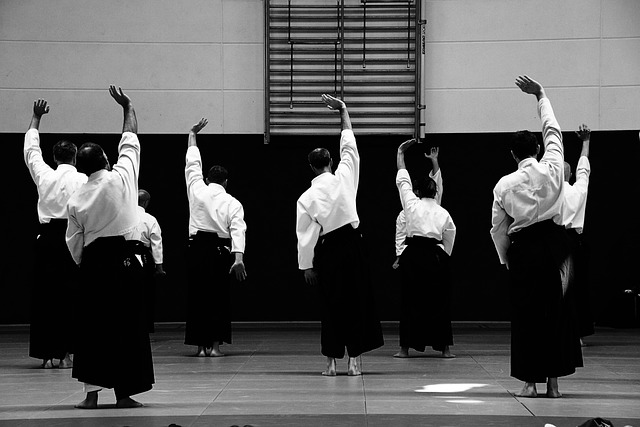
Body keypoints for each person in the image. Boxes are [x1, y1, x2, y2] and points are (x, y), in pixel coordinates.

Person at [490, 76, 583, 398]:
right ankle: (554, 385)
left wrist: (506, 259)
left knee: (528, 315)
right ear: (539, 149)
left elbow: (497, 228)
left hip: (525, 249)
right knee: (558, 312)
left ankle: (530, 383)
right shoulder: (555, 166)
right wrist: (540, 95)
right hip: (557, 247)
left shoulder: (503, 184)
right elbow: (553, 131)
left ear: (513, 155)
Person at [66, 86, 154, 409]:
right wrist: (127, 106)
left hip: (93, 263)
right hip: (124, 261)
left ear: (81, 168)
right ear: (106, 159)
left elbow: (73, 242)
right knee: (127, 326)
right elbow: (130, 138)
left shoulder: (76, 198)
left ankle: (91, 396)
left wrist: (86, 263)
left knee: (93, 329)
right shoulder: (123, 177)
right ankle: (125, 393)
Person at [296, 94, 384, 376]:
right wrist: (343, 110)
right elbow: (350, 146)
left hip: (329, 249)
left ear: (311, 167)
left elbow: (306, 234)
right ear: (331, 162)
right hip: (352, 245)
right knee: (356, 302)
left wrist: (307, 265)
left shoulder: (307, 196)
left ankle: (331, 363)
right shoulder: (345, 177)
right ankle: (354, 361)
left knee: (331, 305)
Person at [23, 99, 88, 369]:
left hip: (48, 239)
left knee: (46, 296)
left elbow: (31, 151)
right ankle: (68, 353)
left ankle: (48, 353)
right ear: (74, 157)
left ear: (55, 158)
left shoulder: (45, 176)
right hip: (73, 238)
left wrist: (36, 118)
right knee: (73, 297)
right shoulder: (84, 180)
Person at [183, 118, 247, 358]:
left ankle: (200, 347)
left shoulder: (197, 190)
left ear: (208, 179)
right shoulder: (233, 202)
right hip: (220, 250)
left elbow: (192, 164)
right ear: (226, 182)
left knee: (198, 297)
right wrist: (238, 257)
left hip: (196, 247)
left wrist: (192, 134)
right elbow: (238, 229)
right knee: (218, 298)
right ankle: (216, 347)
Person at [394, 140, 456, 358]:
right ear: (434, 192)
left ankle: (404, 349)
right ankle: (445, 349)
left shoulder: (411, 204)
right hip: (435, 255)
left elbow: (403, 181)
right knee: (439, 301)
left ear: (418, 191)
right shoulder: (442, 211)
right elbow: (450, 233)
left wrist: (401, 154)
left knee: (410, 301)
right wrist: (444, 253)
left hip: (414, 255)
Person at [562, 125, 593, 345]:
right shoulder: (578, 189)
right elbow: (584, 169)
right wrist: (586, 142)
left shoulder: (548, 193)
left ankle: (562, 330)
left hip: (557, 240)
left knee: (558, 288)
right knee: (576, 288)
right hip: (573, 241)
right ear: (570, 174)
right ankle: (578, 333)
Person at [393, 146, 442, 269]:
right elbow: (400, 234)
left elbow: (403, 180)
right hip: (425, 252)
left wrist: (400, 152)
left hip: (425, 252)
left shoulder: (431, 203)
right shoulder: (409, 210)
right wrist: (399, 256)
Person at [129, 189, 166, 333]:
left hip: (124, 256)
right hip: (143, 257)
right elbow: (157, 244)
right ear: (146, 202)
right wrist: (159, 267)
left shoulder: (123, 216)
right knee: (146, 293)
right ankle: (145, 325)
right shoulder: (150, 219)